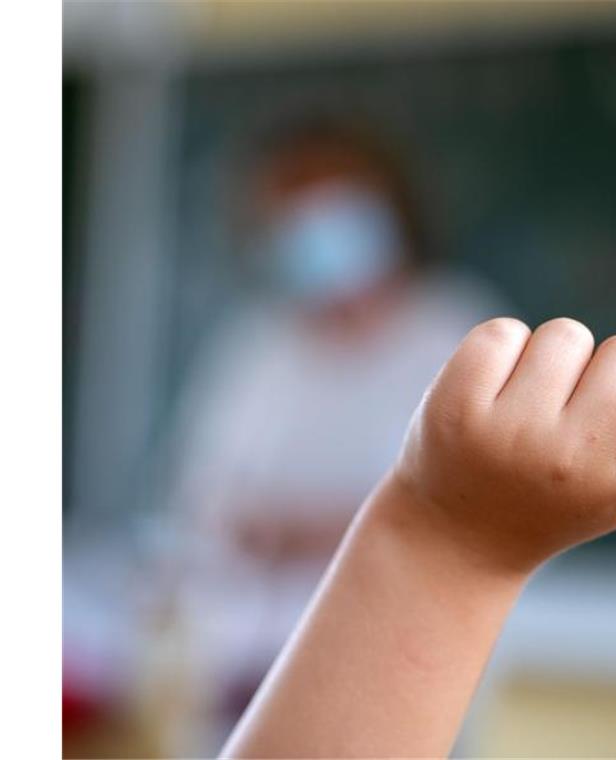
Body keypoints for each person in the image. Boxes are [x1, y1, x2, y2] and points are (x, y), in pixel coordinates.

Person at [220, 309, 616, 758]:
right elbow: (215, 500)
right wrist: (453, 539)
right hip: (235, 657)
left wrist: (452, 532)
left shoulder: (442, 322)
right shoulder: (261, 349)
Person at [166, 117, 504, 732]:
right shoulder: (255, 349)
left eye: (334, 209)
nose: (314, 233)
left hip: (410, 687)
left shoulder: (458, 333)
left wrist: (316, 529)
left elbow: (489, 506)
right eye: (293, 216)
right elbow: (202, 503)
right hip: (246, 684)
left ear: (387, 213)